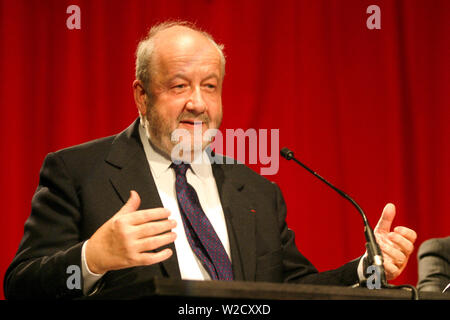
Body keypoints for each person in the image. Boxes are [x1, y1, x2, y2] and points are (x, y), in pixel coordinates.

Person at [4, 21, 417, 300]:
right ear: (141, 96)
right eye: (179, 86)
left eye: (210, 86)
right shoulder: (78, 172)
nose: (198, 103)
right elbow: (20, 286)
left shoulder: (255, 190)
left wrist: (367, 269)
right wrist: (93, 256)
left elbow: (292, 288)